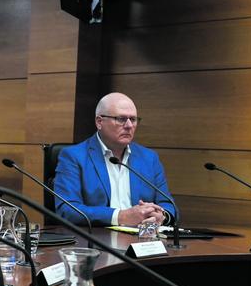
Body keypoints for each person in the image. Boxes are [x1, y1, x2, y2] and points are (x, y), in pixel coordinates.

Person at [53, 92, 175, 226]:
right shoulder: (73, 156)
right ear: (99, 122)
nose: (129, 125)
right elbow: (67, 209)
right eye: (121, 119)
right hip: (97, 239)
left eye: (133, 119)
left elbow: (168, 204)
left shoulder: (149, 158)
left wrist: (161, 216)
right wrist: (120, 216)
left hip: (143, 239)